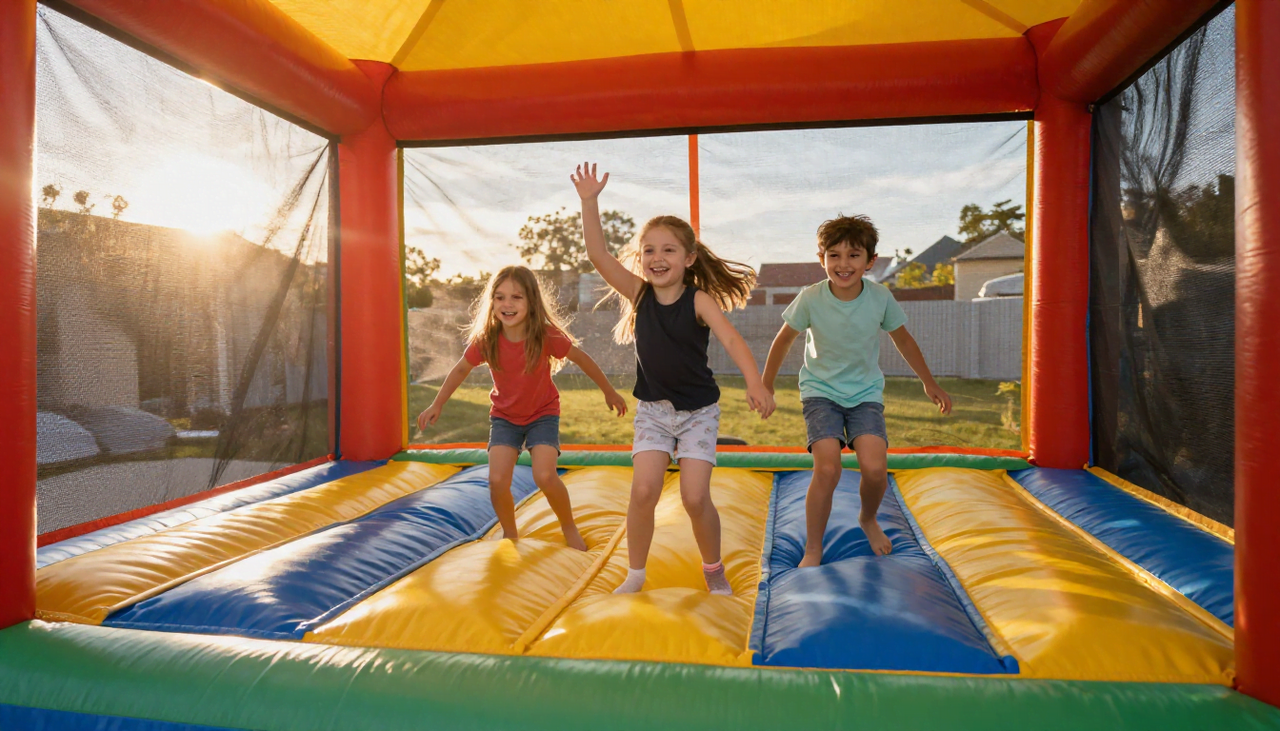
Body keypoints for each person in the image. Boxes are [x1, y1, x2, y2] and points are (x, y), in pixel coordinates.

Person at [571, 162, 775, 596]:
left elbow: (734, 341)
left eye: (667, 250)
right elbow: (598, 255)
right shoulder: (640, 294)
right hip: (653, 412)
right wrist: (590, 202)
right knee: (643, 490)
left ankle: (713, 568)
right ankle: (636, 574)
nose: (657, 258)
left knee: (695, 498)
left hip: (698, 414)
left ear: (689, 258)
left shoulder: (698, 300)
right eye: (648, 250)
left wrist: (755, 383)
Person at [762, 214, 951, 566]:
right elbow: (783, 339)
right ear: (822, 259)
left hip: (864, 394)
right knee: (829, 469)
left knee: (876, 469)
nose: (843, 264)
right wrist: (766, 385)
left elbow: (904, 340)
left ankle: (867, 518)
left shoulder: (880, 297)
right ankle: (814, 548)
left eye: (853, 255)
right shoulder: (811, 298)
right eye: (834, 255)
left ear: (870, 261)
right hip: (820, 392)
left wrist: (929, 381)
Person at [417, 265, 627, 551]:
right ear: (492, 303)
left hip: (542, 414)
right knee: (497, 480)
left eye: (517, 297)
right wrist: (437, 404)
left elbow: (582, 358)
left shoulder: (545, 336)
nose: (507, 304)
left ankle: (569, 527)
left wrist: (609, 391)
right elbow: (461, 368)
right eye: (500, 297)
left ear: (531, 303)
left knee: (544, 475)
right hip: (505, 417)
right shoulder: (488, 340)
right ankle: (510, 533)